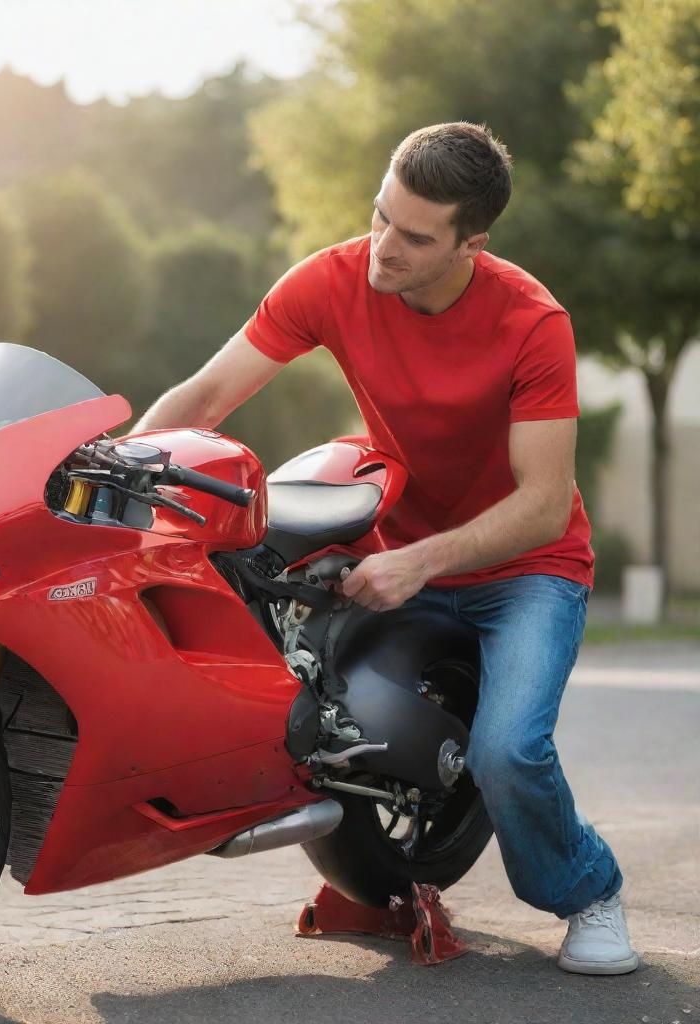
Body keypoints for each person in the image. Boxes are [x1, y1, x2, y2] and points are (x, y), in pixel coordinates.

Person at [129, 121, 638, 975]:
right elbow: (210, 394)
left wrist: (422, 561)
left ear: (470, 244)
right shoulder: (331, 279)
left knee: (507, 752)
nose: (382, 247)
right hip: (396, 554)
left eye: (413, 236)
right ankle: (374, 866)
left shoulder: (531, 322)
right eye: (379, 216)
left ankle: (589, 890)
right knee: (313, 715)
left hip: (526, 574)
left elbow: (545, 506)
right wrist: (123, 472)